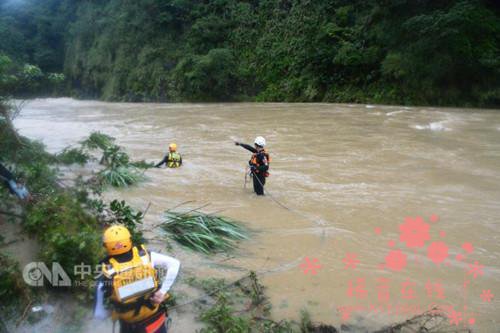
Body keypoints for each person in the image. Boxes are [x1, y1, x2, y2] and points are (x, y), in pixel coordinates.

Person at [94, 225, 180, 333]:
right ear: (129, 240)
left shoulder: (106, 274)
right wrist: (162, 292)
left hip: (130, 327)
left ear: (106, 246)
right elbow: (175, 264)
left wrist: (114, 311)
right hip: (155, 324)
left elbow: (99, 314)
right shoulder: (145, 257)